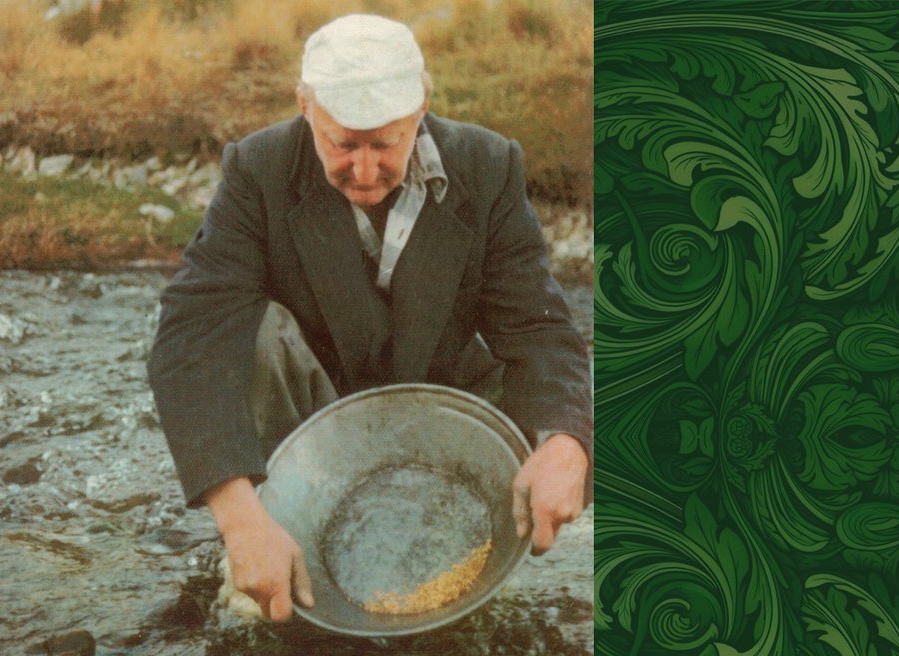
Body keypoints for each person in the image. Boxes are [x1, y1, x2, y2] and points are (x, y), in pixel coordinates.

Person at [147, 14, 592, 622]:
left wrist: (565, 442)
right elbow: (191, 336)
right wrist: (238, 516)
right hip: (311, 427)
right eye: (342, 144)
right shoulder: (258, 170)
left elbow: (539, 329)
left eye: (385, 144)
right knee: (253, 334)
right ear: (305, 107)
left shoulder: (488, 166)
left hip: (447, 420)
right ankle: (278, 534)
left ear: (422, 108)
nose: (364, 172)